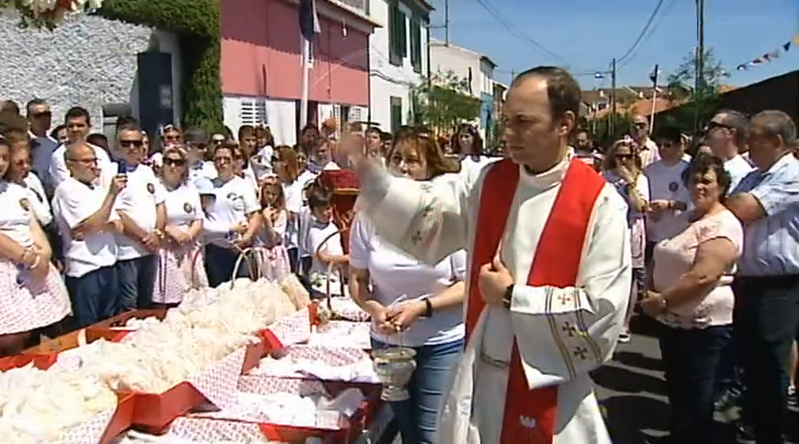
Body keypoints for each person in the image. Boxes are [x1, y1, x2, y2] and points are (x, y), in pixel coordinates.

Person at [346, 66, 631, 444]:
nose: (508, 133)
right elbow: (430, 212)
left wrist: (513, 296)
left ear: (565, 123)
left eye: (523, 122)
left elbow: (604, 310)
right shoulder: (490, 182)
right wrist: (374, 180)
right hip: (481, 379)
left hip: (551, 389)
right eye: (506, 121)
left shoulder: (599, 204)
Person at [348, 126, 466, 444]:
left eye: (412, 160)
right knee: (408, 430)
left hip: (440, 342)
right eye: (396, 158)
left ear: (429, 168)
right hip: (388, 345)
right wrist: (375, 309)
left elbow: (467, 284)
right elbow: (357, 280)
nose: (402, 167)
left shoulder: (447, 214)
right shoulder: (368, 215)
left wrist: (422, 307)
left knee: (430, 435)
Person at [643, 154, 743, 444]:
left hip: (703, 323)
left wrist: (662, 300)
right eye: (694, 180)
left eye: (706, 181)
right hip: (670, 320)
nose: (699, 186)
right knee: (676, 384)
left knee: (698, 389)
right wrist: (649, 290)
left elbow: (704, 276)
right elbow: (661, 253)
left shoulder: (723, 225)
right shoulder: (684, 218)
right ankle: (678, 436)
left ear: (721, 186)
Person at [725, 110, 799, 444]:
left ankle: (770, 433)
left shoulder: (792, 174)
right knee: (750, 361)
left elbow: (744, 208)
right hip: (748, 282)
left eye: (753, 137)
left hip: (778, 286)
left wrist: (727, 201)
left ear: (776, 141)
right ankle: (753, 423)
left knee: (771, 364)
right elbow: (730, 203)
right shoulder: (754, 176)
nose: (746, 143)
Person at [0, 136, 71, 355]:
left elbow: (33, 225)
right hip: (7, 267)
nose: (1, 163)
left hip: (32, 268)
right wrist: (26, 257)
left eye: (4, 157)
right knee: (10, 339)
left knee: (37, 332)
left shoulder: (15, 191)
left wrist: (44, 256)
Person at [603, 137, 650, 343]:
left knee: (630, 277)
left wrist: (629, 182)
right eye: (619, 156)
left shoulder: (640, 179)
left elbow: (640, 206)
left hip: (631, 230)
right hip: (609, 229)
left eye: (627, 156)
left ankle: (625, 322)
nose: (622, 160)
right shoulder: (604, 176)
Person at [202, 142, 261, 287]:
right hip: (215, 249)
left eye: (227, 159)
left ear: (234, 161)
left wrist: (247, 238)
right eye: (218, 159)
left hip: (240, 248)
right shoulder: (207, 187)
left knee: (242, 291)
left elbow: (254, 215)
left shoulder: (243, 185)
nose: (222, 163)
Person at [153, 146, 207, 306]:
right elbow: (152, 217)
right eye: (169, 161)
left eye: (178, 162)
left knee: (194, 298)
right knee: (170, 300)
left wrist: (189, 234)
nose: (173, 166)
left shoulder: (190, 189)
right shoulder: (156, 187)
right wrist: (170, 231)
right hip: (166, 248)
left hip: (189, 248)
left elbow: (198, 218)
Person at [644, 126, 691, 265]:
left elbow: (692, 204)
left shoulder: (689, 168)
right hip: (653, 234)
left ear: (678, 145)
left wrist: (669, 205)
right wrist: (649, 209)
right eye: (659, 145)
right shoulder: (649, 170)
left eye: (667, 145)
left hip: (679, 234)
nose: (662, 149)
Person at [254, 176, 291, 281]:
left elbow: (273, 240)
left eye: (274, 194)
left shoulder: (281, 213)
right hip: (258, 253)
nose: (270, 197)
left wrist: (267, 221)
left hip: (274, 255)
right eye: (267, 193)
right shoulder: (256, 211)